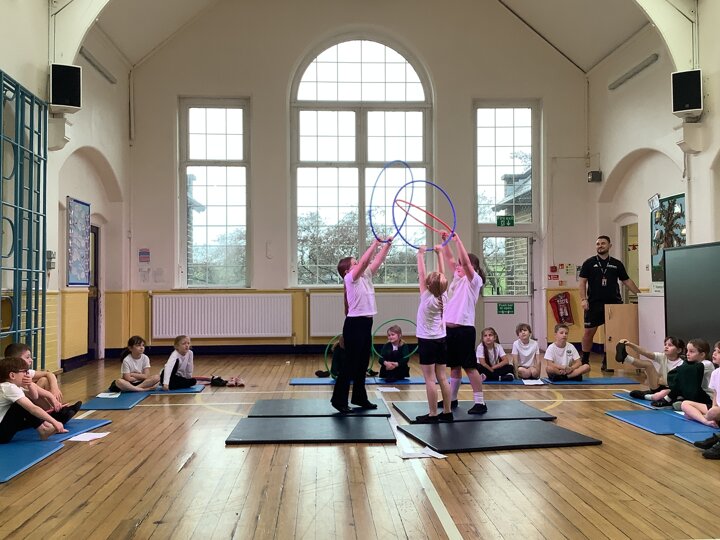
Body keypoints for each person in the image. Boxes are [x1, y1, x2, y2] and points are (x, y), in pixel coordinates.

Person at [330, 236, 393, 413]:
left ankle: (359, 397)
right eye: (355, 263)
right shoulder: (350, 279)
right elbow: (365, 261)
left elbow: (377, 261)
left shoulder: (365, 276)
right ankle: (338, 400)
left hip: (366, 324)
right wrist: (375, 243)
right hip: (354, 325)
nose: (358, 264)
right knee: (350, 364)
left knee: (362, 364)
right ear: (347, 271)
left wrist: (387, 245)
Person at [438, 232, 488, 414]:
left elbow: (465, 263)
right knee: (454, 367)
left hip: (464, 330)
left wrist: (457, 240)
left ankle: (480, 402)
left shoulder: (474, 281)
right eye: (458, 265)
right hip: (449, 330)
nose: (459, 266)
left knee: (470, 367)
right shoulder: (457, 279)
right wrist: (445, 242)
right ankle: (452, 399)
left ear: (473, 267)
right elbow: (451, 259)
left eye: (462, 264)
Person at [578, 235, 640, 371]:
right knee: (588, 333)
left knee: (611, 334)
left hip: (613, 304)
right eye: (598, 244)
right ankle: (585, 360)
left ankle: (608, 361)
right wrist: (583, 299)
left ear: (609, 246)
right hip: (593, 304)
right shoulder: (589, 263)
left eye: (603, 243)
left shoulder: (617, 264)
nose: (600, 246)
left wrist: (640, 295)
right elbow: (582, 282)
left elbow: (626, 281)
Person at [414, 245, 451, 423]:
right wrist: (439, 254)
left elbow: (422, 274)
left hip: (427, 341)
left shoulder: (427, 297)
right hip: (441, 340)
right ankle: (448, 411)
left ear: (429, 285)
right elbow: (441, 275)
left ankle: (433, 414)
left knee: (430, 379)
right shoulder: (444, 295)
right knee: (442, 377)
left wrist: (420, 254)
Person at [4, 343, 81, 423]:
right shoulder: (10, 378)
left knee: (43, 380)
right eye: (27, 357)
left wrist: (54, 388)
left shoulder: (24, 372)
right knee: (29, 387)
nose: (31, 360)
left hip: (23, 403)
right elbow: (32, 394)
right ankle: (54, 414)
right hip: (13, 411)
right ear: (16, 360)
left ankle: (57, 409)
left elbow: (49, 374)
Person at [0, 357, 68, 443]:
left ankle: (46, 426)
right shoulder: (9, 388)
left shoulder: (11, 386)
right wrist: (55, 422)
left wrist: (30, 385)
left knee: (26, 403)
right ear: (12, 375)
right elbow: (33, 408)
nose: (27, 375)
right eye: (24, 372)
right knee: (21, 406)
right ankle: (44, 429)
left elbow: (34, 397)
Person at [649, 338, 714, 408]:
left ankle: (673, 399)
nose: (687, 354)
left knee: (682, 374)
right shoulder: (692, 364)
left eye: (691, 351)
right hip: (696, 393)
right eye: (687, 351)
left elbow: (685, 371)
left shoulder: (707, 364)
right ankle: (672, 399)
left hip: (708, 397)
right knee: (665, 390)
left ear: (702, 354)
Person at [616, 337, 685, 400]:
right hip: (658, 387)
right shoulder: (663, 357)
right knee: (648, 364)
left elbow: (679, 384)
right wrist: (630, 344)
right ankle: (626, 358)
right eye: (665, 344)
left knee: (668, 393)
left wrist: (663, 381)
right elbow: (645, 352)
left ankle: (648, 396)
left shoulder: (682, 364)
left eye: (670, 345)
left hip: (671, 391)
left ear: (679, 350)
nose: (666, 347)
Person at [686, 341, 720, 459]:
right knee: (686, 405)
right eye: (715, 350)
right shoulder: (716, 373)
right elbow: (716, 394)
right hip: (717, 408)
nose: (714, 353)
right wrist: (714, 408)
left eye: (718, 352)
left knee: (714, 412)